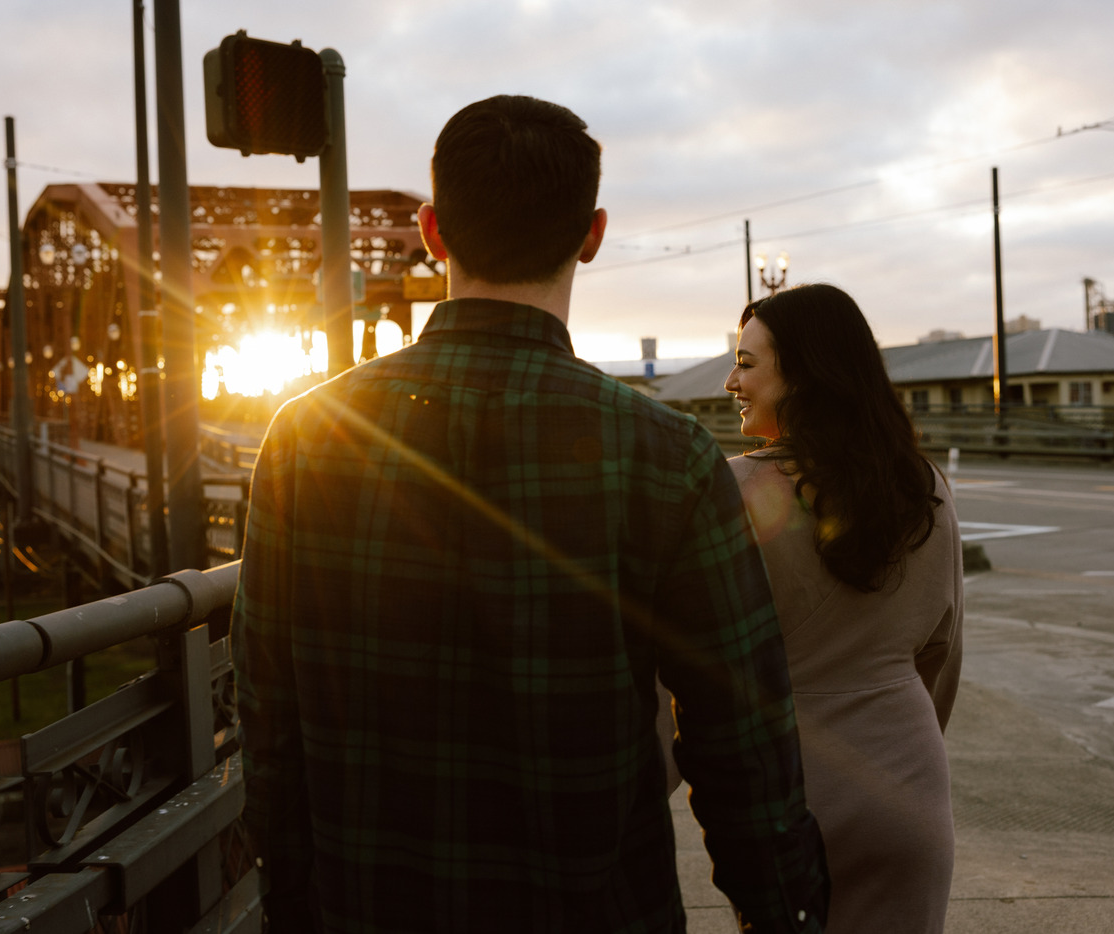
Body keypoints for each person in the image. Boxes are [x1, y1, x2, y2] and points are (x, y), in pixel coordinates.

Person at [233, 94, 828, 934]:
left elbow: (267, 707)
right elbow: (739, 729)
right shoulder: (665, 454)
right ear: (592, 233)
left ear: (434, 233)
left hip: (366, 904)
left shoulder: (302, 439)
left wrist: (292, 896)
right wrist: (784, 908)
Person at [722, 283, 964, 934]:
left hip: (792, 789)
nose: (730, 381)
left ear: (803, 374)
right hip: (909, 780)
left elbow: (684, 667)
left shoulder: (731, 490)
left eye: (746, 363)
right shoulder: (923, 485)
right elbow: (943, 650)